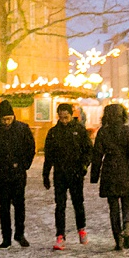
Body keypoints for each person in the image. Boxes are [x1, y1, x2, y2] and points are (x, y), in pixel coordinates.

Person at [90, 102, 129, 250]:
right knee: (128, 204)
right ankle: (127, 229)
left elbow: (97, 155)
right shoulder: (126, 131)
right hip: (125, 171)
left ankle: (118, 239)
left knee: (113, 208)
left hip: (109, 171)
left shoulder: (103, 132)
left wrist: (94, 176)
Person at [0, 100, 36, 248]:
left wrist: (25, 165)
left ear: (13, 116)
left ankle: (19, 234)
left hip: (18, 173)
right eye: (4, 119)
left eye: (9, 119)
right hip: (2, 173)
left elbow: (31, 147)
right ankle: (6, 238)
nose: (6, 122)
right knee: (4, 206)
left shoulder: (22, 129)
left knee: (19, 205)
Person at [43, 102, 92, 249]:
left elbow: (88, 150)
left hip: (76, 173)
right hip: (60, 174)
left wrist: (84, 165)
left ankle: (81, 229)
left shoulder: (80, 130)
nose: (64, 120)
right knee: (60, 205)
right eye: (62, 117)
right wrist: (45, 174)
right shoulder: (53, 132)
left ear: (72, 115)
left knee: (78, 202)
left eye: (67, 117)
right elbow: (49, 155)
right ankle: (60, 235)